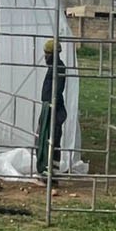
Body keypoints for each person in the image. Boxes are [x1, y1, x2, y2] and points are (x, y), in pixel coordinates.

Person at [36, 38, 67, 177]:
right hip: (49, 108)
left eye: (48, 53)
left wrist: (51, 107)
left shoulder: (59, 67)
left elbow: (56, 91)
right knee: (43, 139)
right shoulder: (53, 68)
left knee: (52, 140)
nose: (45, 56)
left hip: (54, 109)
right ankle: (45, 169)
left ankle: (51, 173)